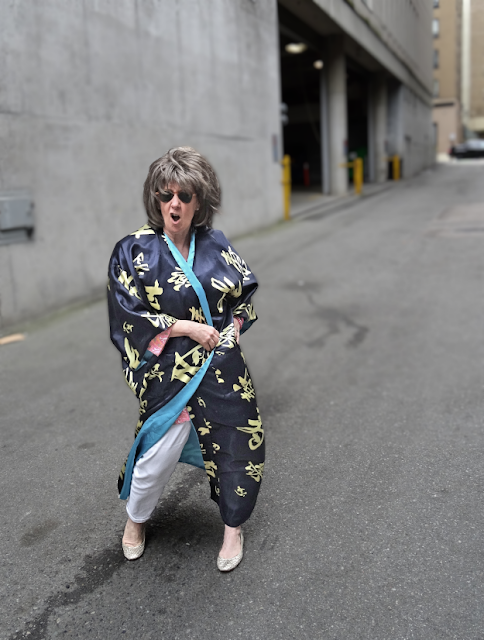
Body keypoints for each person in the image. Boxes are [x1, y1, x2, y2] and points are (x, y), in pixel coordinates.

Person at [107, 147, 264, 571]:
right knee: (155, 455)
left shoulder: (215, 244)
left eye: (184, 195)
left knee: (236, 445)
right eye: (165, 194)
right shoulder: (132, 251)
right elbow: (128, 314)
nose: (174, 204)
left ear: (200, 201)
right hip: (170, 372)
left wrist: (232, 330)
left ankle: (233, 528)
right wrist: (187, 328)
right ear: (155, 199)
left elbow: (243, 295)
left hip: (221, 366)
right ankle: (136, 519)